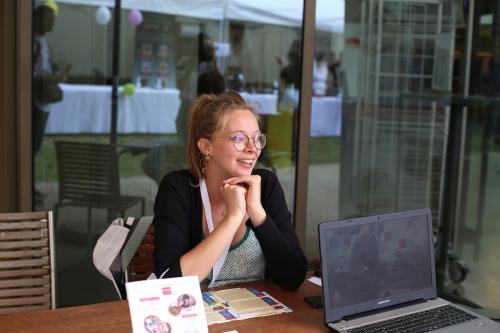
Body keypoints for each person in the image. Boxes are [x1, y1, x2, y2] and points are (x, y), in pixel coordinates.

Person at [153, 91, 307, 290]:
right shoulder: (178, 188)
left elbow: (293, 278)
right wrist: (233, 218)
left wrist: (258, 214)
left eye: (257, 138)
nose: (253, 148)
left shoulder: (265, 184)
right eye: (239, 138)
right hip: (199, 317)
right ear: (206, 147)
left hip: (259, 315)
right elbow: (169, 285)